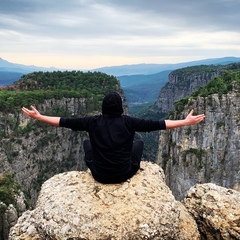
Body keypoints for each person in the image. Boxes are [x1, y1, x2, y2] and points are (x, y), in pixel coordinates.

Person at [22, 91, 205, 184]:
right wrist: (185, 122)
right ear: (120, 107)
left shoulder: (91, 122)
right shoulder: (130, 122)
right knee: (139, 142)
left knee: (87, 144)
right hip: (124, 173)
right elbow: (160, 124)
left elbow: (63, 121)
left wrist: (39, 116)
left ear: (103, 107)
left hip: (99, 175)